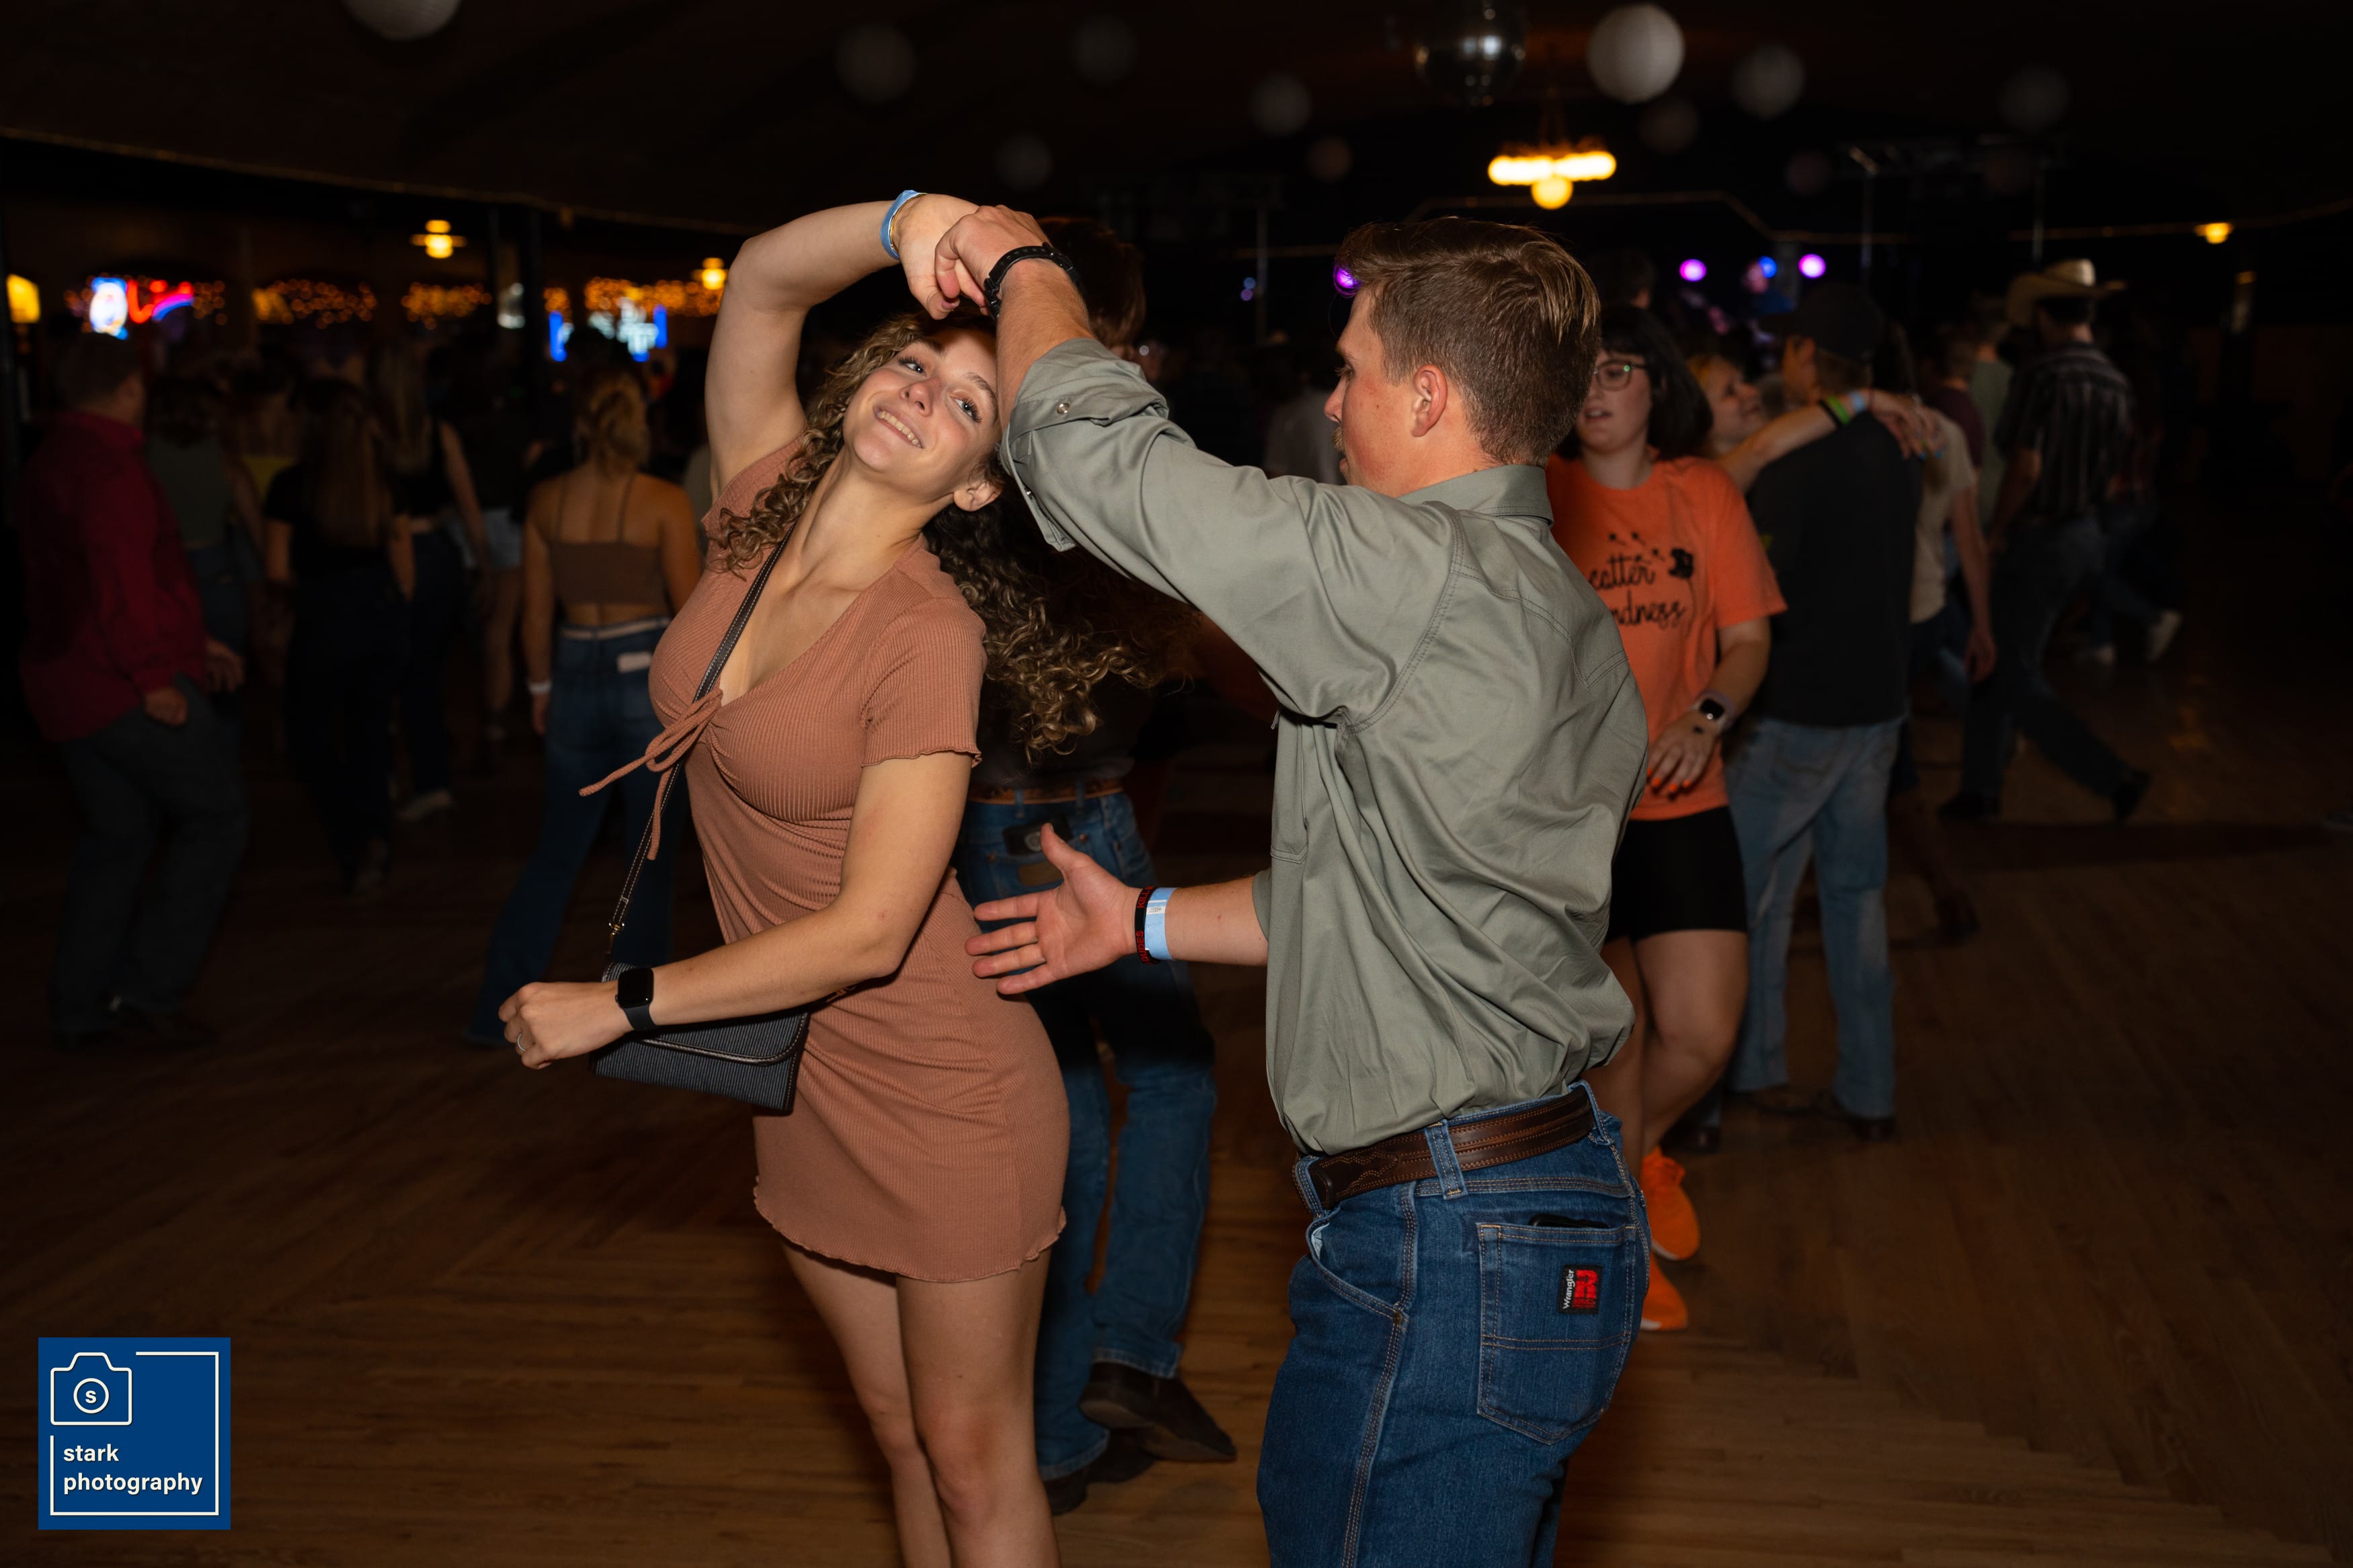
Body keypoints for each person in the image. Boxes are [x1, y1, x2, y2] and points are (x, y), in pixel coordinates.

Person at [951, 208, 1650, 1567]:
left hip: (1445, 1242)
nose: (1331, 401)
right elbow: (1396, 907)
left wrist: (1025, 269)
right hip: (1534, 1207)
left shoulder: (1406, 571)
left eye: (1352, 368)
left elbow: (1091, 459)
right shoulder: (1561, 607)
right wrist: (1141, 918)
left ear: (1429, 396)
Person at [497, 194, 1132, 1567]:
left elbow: (870, 929)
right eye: (914, 361)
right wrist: (918, 218)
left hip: (941, 1084)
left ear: (979, 485)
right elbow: (762, 283)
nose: (922, 392)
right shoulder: (750, 512)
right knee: (896, 1432)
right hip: (800, 1070)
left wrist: (623, 1002)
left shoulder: (925, 638)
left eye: (968, 405)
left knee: (972, 1458)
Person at [943, 217, 1227, 1516]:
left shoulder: (958, 423)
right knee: (1158, 1086)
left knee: (1064, 1115)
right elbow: (1171, 638)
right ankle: (1119, 1367)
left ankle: (1072, 1417)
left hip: (973, 823)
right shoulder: (1087, 441)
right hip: (1075, 819)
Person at [1547, 306, 1784, 1336]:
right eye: (1582, 373)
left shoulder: (1704, 493)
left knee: (1704, 1033)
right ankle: (1619, 1243)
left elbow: (1748, 642)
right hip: (1573, 815)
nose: (1597, 391)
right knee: (1621, 1041)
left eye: (1619, 371)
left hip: (1685, 795)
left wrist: (1706, 716)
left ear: (1657, 387)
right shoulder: (1539, 492)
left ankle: (1635, 1161)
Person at [1724, 283, 1919, 1141]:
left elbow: (1760, 595)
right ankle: (1866, 1090)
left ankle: (1721, 1085)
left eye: (1787, 347)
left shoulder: (1795, 461)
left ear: (1804, 355)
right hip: (1877, 708)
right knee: (1854, 899)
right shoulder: (1900, 442)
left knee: (1732, 898)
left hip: (1797, 711)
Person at [19, 333, 248, 1051]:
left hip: (65, 681)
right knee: (216, 817)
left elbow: (91, 580)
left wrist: (190, 643)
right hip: (118, 682)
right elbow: (120, 583)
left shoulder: (50, 456)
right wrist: (154, 676)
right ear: (127, 388)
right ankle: (150, 987)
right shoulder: (111, 467)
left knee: (117, 836)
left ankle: (81, 1000)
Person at [463, 368, 702, 1048]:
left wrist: (541, 692)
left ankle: (496, 1009)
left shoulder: (548, 500)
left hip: (572, 673)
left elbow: (536, 613)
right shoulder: (662, 500)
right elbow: (690, 612)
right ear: (638, 422)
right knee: (647, 857)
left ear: (578, 423)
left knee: (556, 853)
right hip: (643, 677)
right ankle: (640, 1019)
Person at [1944, 261, 2151, 824]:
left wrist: (1996, 532)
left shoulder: (2042, 375)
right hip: (2087, 534)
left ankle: (2114, 778)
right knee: (2002, 663)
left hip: (2040, 538)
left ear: (2040, 315)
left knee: (2007, 669)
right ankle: (1979, 790)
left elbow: (2026, 467)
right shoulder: (2115, 380)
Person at [266, 379, 415, 895]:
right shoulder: (383, 485)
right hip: (376, 618)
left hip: (322, 619)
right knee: (369, 733)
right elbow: (406, 574)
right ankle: (375, 836)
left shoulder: (292, 485)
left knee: (311, 737)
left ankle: (350, 834)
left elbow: (276, 567)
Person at [1874, 326, 1996, 945]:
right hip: (1926, 612)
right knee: (1882, 754)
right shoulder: (1943, 430)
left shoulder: (1862, 430)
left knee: (1888, 761)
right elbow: (1968, 538)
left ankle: (1948, 889)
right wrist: (1981, 625)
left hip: (1879, 623)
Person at [368, 343, 487, 823]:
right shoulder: (438, 432)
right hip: (437, 554)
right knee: (425, 675)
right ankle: (431, 781)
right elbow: (469, 505)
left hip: (384, 556)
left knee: (381, 675)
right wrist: (481, 563)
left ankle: (387, 776)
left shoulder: (366, 435)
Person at [145, 374, 265, 745]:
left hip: (161, 580)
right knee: (225, 683)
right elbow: (258, 533)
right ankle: (222, 764)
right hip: (218, 577)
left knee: (174, 683)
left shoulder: (139, 464)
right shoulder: (226, 463)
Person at [448, 338, 536, 771]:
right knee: (500, 632)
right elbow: (529, 472)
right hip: (507, 524)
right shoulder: (518, 422)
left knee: (469, 636)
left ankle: (478, 726)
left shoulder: (450, 422)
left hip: (459, 526)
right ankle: (494, 726)